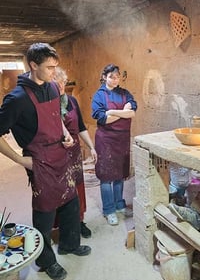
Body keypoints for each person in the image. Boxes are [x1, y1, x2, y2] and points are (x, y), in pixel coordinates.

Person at [0, 43, 91, 280]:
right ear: (33, 65)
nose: (53, 72)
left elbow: (55, 116)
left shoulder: (51, 88)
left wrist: (65, 132)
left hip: (61, 154)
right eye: (49, 67)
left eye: (55, 67)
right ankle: (46, 260)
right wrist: (20, 159)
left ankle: (70, 244)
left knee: (70, 203)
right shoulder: (16, 99)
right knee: (45, 212)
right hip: (40, 160)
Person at [54, 67, 97, 238]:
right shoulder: (46, 104)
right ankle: (62, 225)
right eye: (56, 83)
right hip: (58, 152)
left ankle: (79, 221)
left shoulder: (71, 101)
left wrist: (92, 147)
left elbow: (81, 127)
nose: (61, 86)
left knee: (77, 186)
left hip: (75, 152)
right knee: (62, 188)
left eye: (63, 82)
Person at [91, 64, 137, 225]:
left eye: (117, 76)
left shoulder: (125, 93)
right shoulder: (99, 96)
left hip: (122, 139)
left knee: (119, 174)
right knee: (106, 176)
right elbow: (103, 118)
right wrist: (122, 114)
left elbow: (132, 112)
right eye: (111, 76)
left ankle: (119, 205)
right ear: (104, 77)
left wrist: (112, 112)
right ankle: (109, 209)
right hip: (106, 140)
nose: (115, 79)